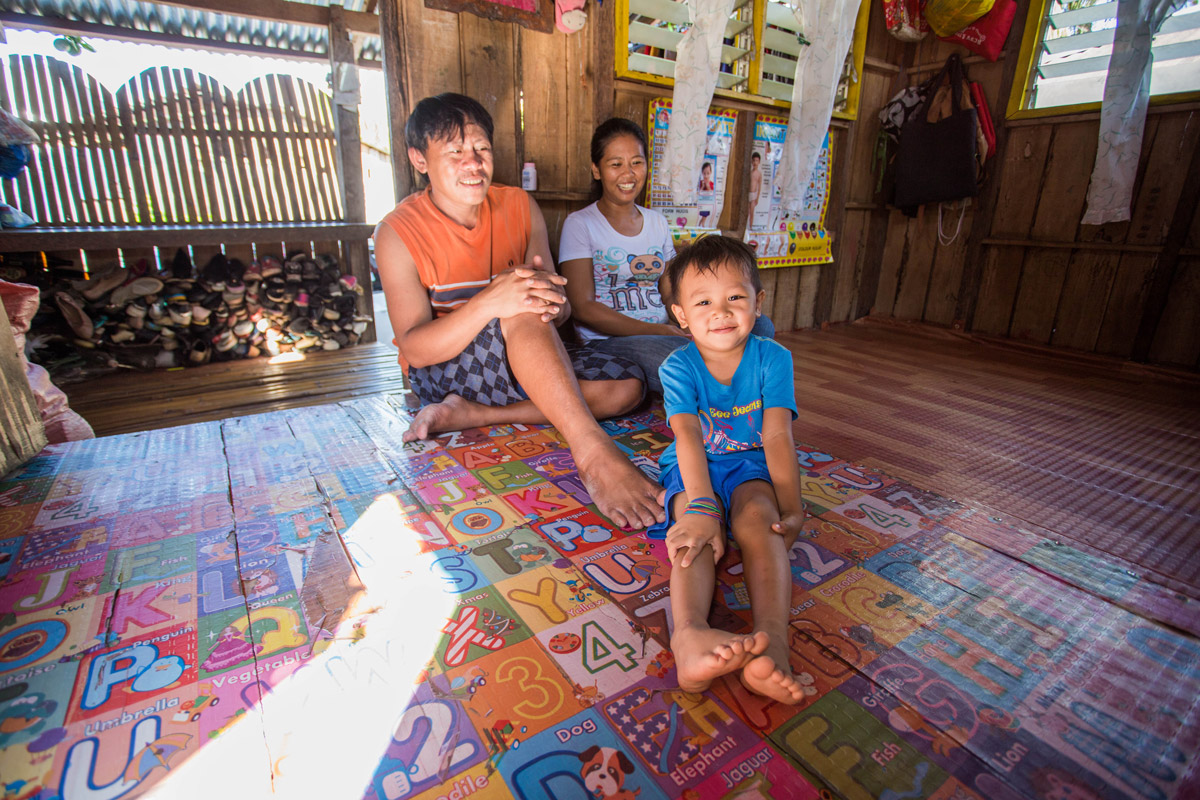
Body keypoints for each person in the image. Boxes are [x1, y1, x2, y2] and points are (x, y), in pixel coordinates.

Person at [373, 94, 665, 531]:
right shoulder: (397, 232)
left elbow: (563, 312)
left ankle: (474, 414)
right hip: (446, 363)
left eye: (481, 149)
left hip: (526, 352)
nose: (473, 163)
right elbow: (415, 349)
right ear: (420, 159)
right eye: (454, 152)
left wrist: (556, 302)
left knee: (627, 387)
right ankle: (593, 453)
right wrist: (494, 300)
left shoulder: (519, 206)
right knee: (520, 304)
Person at [649, 235, 807, 705]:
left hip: (750, 463)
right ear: (681, 315)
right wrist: (699, 508)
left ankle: (772, 642)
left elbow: (776, 436)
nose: (720, 312)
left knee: (763, 521)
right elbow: (688, 438)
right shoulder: (678, 366)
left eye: (734, 298)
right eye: (703, 302)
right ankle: (691, 636)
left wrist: (792, 507)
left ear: (758, 303)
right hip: (691, 463)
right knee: (693, 534)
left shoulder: (773, 358)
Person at [559, 119, 773, 396]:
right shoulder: (580, 224)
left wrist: (692, 321)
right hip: (610, 341)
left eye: (636, 162)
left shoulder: (656, 222)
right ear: (596, 170)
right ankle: (734, 385)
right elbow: (583, 307)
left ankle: (725, 383)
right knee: (677, 357)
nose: (628, 174)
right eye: (616, 164)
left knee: (760, 325)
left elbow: (670, 291)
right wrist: (657, 331)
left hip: (664, 330)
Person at [746, 151, 762, 230]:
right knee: (747, 212)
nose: (755, 162)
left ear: (759, 162)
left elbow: (759, 186)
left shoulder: (759, 174)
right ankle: (746, 227)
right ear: (752, 161)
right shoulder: (749, 173)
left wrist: (757, 198)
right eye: (754, 160)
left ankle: (750, 227)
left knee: (752, 212)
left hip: (753, 195)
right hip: (748, 194)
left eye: (757, 161)